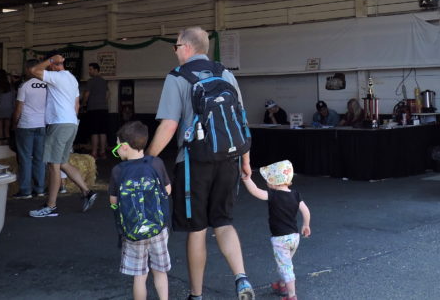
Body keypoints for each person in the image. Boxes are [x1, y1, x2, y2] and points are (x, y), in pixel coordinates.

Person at [147, 26, 256, 300]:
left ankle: (196, 295)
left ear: (186, 47)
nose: (175, 52)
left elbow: (169, 126)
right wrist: (246, 161)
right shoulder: (225, 74)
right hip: (229, 157)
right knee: (224, 222)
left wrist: (148, 159)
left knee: (197, 230)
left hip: (193, 163)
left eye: (175, 47)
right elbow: (241, 120)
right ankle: (241, 278)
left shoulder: (177, 77)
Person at [27, 53, 98, 217]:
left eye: (50, 64)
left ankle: (51, 206)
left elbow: (33, 70)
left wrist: (50, 60)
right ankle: (87, 192)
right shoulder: (72, 79)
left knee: (53, 165)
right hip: (71, 123)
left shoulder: (55, 76)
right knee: (63, 162)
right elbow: (77, 104)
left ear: (53, 64)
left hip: (59, 124)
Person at [110, 120, 172, 300]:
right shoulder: (156, 163)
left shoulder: (118, 171)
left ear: (125, 147)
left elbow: (113, 200)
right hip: (158, 229)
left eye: (117, 146)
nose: (117, 150)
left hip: (132, 230)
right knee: (160, 272)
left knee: (140, 276)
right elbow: (167, 190)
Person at [240, 160, 311, 300]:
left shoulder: (273, 195)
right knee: (286, 263)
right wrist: (306, 225)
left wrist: (247, 179)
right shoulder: (296, 194)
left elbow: (255, 191)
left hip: (280, 239)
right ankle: (283, 284)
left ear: (274, 182)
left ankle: (291, 295)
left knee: (286, 267)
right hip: (294, 237)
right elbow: (306, 211)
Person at [11, 58, 47, 200]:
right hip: (42, 124)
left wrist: (14, 123)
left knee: (25, 158)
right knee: (39, 158)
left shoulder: (25, 86)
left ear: (28, 70)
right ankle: (40, 189)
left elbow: (19, 108)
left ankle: (25, 190)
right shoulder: (47, 85)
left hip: (26, 124)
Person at [81, 62, 111, 158]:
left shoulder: (91, 81)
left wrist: (83, 104)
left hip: (93, 109)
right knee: (102, 131)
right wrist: (102, 102)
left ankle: (94, 153)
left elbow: (86, 94)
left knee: (94, 131)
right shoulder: (104, 81)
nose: (89, 71)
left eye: (90, 69)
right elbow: (107, 94)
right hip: (103, 109)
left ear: (96, 70)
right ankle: (102, 152)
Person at [0, 70, 14, 141]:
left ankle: (0, 146)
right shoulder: (11, 87)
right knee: (7, 131)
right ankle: (7, 146)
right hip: (9, 109)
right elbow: (13, 99)